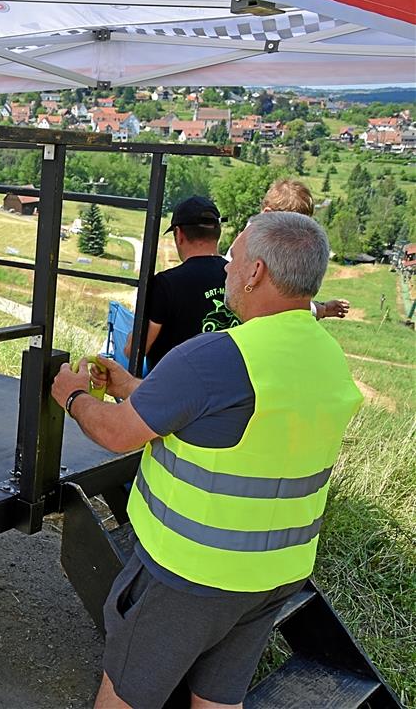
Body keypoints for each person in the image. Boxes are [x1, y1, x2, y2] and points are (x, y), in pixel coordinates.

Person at [52, 212, 363, 709]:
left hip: (191, 575)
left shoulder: (215, 357)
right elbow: (221, 420)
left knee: (126, 695)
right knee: (218, 700)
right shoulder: (324, 355)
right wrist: (130, 389)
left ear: (256, 272)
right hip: (274, 574)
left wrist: (73, 396)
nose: (225, 269)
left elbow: (116, 434)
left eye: (232, 258)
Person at [124, 196, 235, 368]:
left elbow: (135, 350)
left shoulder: (165, 284)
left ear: (179, 234)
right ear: (217, 233)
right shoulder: (239, 277)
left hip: (173, 389)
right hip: (228, 388)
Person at [259, 179, 349, 320]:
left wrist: (321, 308)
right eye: (291, 226)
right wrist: (321, 309)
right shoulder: (254, 252)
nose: (299, 234)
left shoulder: (274, 247)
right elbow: (277, 305)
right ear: (267, 215)